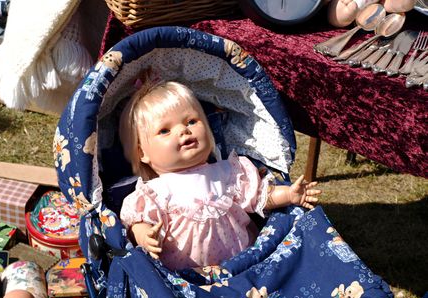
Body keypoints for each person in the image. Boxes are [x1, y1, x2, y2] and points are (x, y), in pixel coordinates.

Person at [119, 77, 321, 271]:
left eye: (191, 121)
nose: (183, 130)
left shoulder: (229, 171)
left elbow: (259, 197)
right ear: (142, 153)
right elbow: (138, 222)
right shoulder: (154, 192)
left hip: (243, 265)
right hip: (187, 278)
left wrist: (288, 195)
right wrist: (145, 236)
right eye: (164, 130)